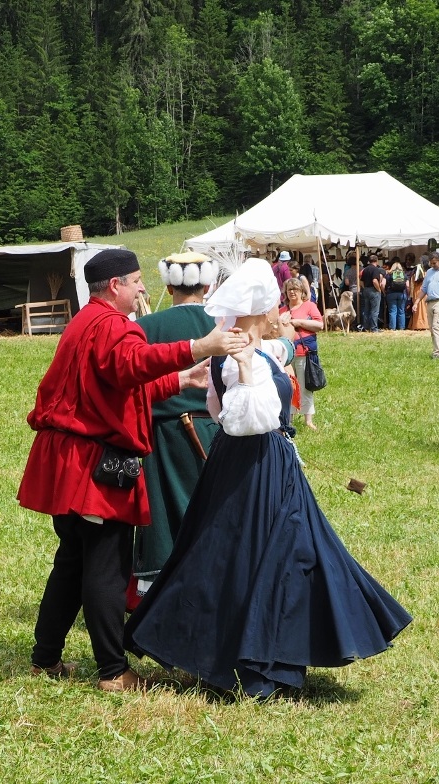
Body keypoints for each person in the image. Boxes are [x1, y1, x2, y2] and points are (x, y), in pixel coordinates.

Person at [125, 259, 411, 698]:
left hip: (266, 465)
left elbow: (242, 394)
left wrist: (262, 364)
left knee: (277, 555)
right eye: (275, 306)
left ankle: (271, 653)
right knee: (257, 557)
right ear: (260, 310)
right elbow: (239, 421)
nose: (282, 311)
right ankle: (256, 661)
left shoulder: (255, 349)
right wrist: (244, 371)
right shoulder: (240, 356)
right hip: (253, 468)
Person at [16, 248, 248, 692]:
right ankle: (112, 672)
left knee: (72, 561)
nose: (143, 288)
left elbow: (120, 385)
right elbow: (130, 365)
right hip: (91, 465)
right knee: (106, 565)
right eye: (137, 280)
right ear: (115, 286)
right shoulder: (111, 326)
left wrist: (182, 379)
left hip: (72, 459)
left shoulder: (87, 322)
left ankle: (44, 660)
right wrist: (199, 347)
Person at [131, 252, 220, 608]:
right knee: (212, 513)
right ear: (209, 285)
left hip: (161, 437)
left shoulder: (146, 327)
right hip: (215, 431)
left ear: (168, 287)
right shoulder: (224, 323)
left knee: (164, 521)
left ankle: (161, 603)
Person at [280, 278, 324, 430]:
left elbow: (319, 325)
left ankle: (308, 420)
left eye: (295, 289)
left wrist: (298, 322)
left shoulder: (309, 306)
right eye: (289, 289)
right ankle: (288, 419)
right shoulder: (282, 310)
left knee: (305, 387)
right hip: (286, 356)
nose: (292, 292)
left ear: (302, 292)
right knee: (288, 387)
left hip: (304, 353)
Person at [360, 254, 386, 332]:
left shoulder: (365, 269)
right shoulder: (375, 269)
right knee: (375, 310)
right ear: (377, 261)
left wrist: (365, 288)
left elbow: (361, 281)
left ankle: (366, 327)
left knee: (366, 309)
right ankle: (374, 328)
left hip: (366, 290)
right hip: (373, 290)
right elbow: (374, 280)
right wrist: (378, 289)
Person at [423, 254, 439, 358]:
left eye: (434, 263)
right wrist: (416, 302)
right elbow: (424, 288)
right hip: (429, 302)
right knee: (432, 329)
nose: (432, 265)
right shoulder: (429, 272)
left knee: (435, 327)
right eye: (431, 263)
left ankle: (437, 353)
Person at [386, 260, 409, 330]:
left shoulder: (389, 274)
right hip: (402, 294)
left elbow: (383, 284)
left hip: (391, 294)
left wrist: (385, 291)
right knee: (401, 311)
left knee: (393, 311)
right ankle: (401, 327)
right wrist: (408, 294)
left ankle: (392, 328)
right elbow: (408, 286)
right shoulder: (404, 275)